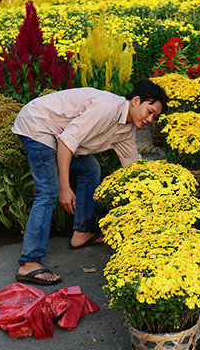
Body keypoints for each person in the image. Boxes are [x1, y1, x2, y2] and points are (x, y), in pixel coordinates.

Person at [11, 80, 168, 285]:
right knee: (49, 191)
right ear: (136, 101)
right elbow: (67, 142)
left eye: (155, 116)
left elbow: (133, 170)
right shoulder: (107, 109)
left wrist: (157, 197)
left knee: (90, 169)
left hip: (58, 133)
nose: (150, 119)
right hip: (39, 124)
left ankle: (82, 232)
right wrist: (65, 189)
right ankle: (29, 262)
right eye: (149, 111)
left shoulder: (126, 130)